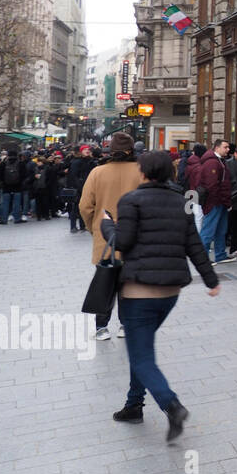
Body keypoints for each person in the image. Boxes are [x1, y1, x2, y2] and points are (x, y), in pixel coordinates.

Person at [103, 151, 220, 442]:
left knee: (141, 355)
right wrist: (210, 279)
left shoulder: (130, 201)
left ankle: (172, 405)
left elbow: (123, 241)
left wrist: (107, 224)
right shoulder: (181, 201)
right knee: (140, 349)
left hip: (138, 290)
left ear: (143, 172)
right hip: (170, 291)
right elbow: (193, 243)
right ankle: (133, 404)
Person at [78, 132, 144, 341]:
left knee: (104, 283)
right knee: (129, 284)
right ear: (132, 150)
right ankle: (126, 324)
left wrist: (94, 228)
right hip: (134, 238)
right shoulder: (141, 172)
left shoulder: (97, 172)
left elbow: (85, 206)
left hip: (105, 238)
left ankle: (101, 327)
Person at [196, 139, 233, 264]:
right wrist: (221, 200)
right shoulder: (212, 162)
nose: (228, 149)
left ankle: (220, 255)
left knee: (220, 230)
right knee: (208, 231)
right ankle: (203, 258)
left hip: (220, 201)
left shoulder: (218, 161)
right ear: (217, 148)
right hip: (215, 202)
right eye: (225, 147)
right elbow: (212, 185)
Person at [64, 145, 96, 233]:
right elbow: (73, 176)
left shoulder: (91, 161)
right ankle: (73, 226)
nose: (87, 151)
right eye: (85, 149)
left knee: (84, 207)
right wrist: (80, 186)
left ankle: (83, 225)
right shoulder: (76, 162)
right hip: (78, 188)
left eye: (88, 149)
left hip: (89, 187)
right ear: (81, 151)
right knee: (75, 207)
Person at [0, 148, 29, 225]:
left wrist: (4, 181)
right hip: (17, 187)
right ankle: (17, 219)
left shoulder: (3, 163)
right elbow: (24, 175)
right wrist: (19, 182)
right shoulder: (20, 163)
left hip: (6, 187)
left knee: (5, 203)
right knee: (17, 203)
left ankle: (4, 219)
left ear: (8, 155)